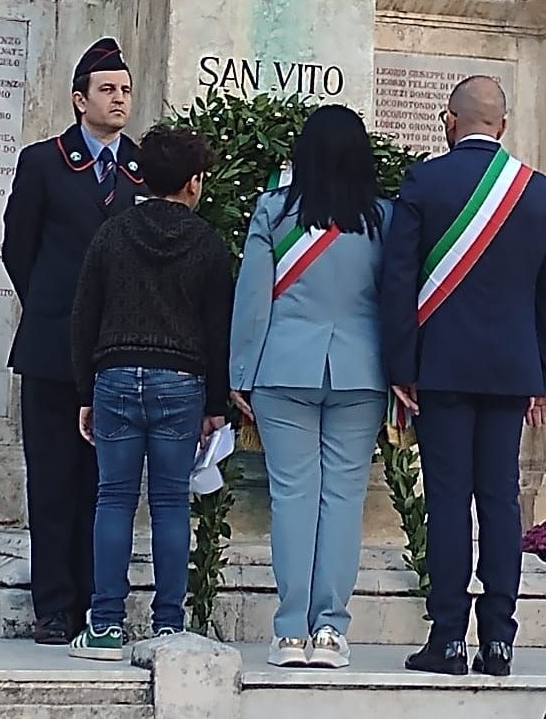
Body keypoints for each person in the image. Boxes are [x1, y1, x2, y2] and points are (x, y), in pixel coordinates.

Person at [380, 76, 546, 677]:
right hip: (512, 371)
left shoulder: (424, 182)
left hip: (439, 367)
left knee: (447, 502)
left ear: (448, 121)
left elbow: (397, 281)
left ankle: (447, 639)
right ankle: (498, 640)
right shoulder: (539, 194)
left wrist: (400, 366)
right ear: (504, 125)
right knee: (500, 502)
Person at [229, 105, 390, 669]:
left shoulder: (274, 210)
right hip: (362, 372)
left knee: (293, 498)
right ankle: (331, 632)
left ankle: (290, 631)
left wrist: (240, 374)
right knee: (343, 501)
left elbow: (253, 299)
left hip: (283, 368)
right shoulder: (383, 219)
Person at [67, 126, 233, 660]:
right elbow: (218, 329)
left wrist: (84, 389)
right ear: (192, 183)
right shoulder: (206, 243)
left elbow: (84, 315)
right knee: (169, 503)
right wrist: (216, 405)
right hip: (180, 381)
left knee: (113, 499)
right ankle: (168, 626)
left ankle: (106, 625)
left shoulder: (113, 234)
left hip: (115, 373)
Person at [2, 38, 146, 645]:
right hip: (54, 349)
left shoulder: (143, 168)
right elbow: (19, 249)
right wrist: (54, 310)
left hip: (118, 350)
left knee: (106, 485)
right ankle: (54, 606)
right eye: (108, 90)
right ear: (79, 98)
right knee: (55, 481)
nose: (119, 100)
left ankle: (98, 602)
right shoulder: (44, 162)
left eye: (125, 90)